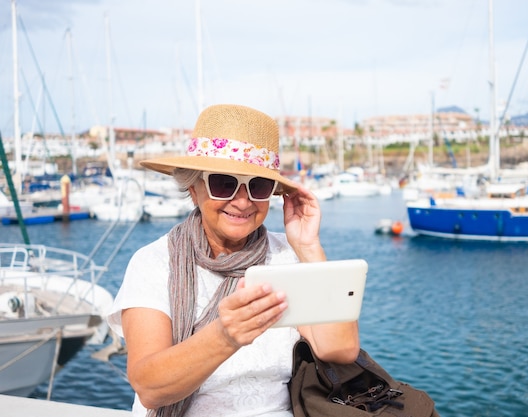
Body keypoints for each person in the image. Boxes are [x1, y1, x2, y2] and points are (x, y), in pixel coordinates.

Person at [107, 104, 360, 417]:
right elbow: (149, 387)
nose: (242, 201)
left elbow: (340, 349)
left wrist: (308, 247)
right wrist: (224, 336)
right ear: (193, 187)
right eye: (224, 183)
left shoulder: (288, 258)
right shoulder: (154, 263)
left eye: (258, 186)